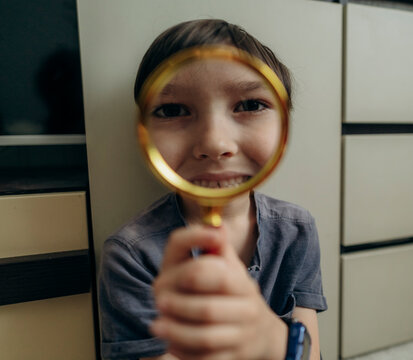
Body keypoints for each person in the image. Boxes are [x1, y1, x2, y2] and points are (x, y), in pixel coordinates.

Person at [98, 19, 327, 360]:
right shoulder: (131, 255)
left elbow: (309, 351)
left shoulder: (297, 229)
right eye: (173, 110)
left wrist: (270, 338)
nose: (214, 143)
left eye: (249, 105)